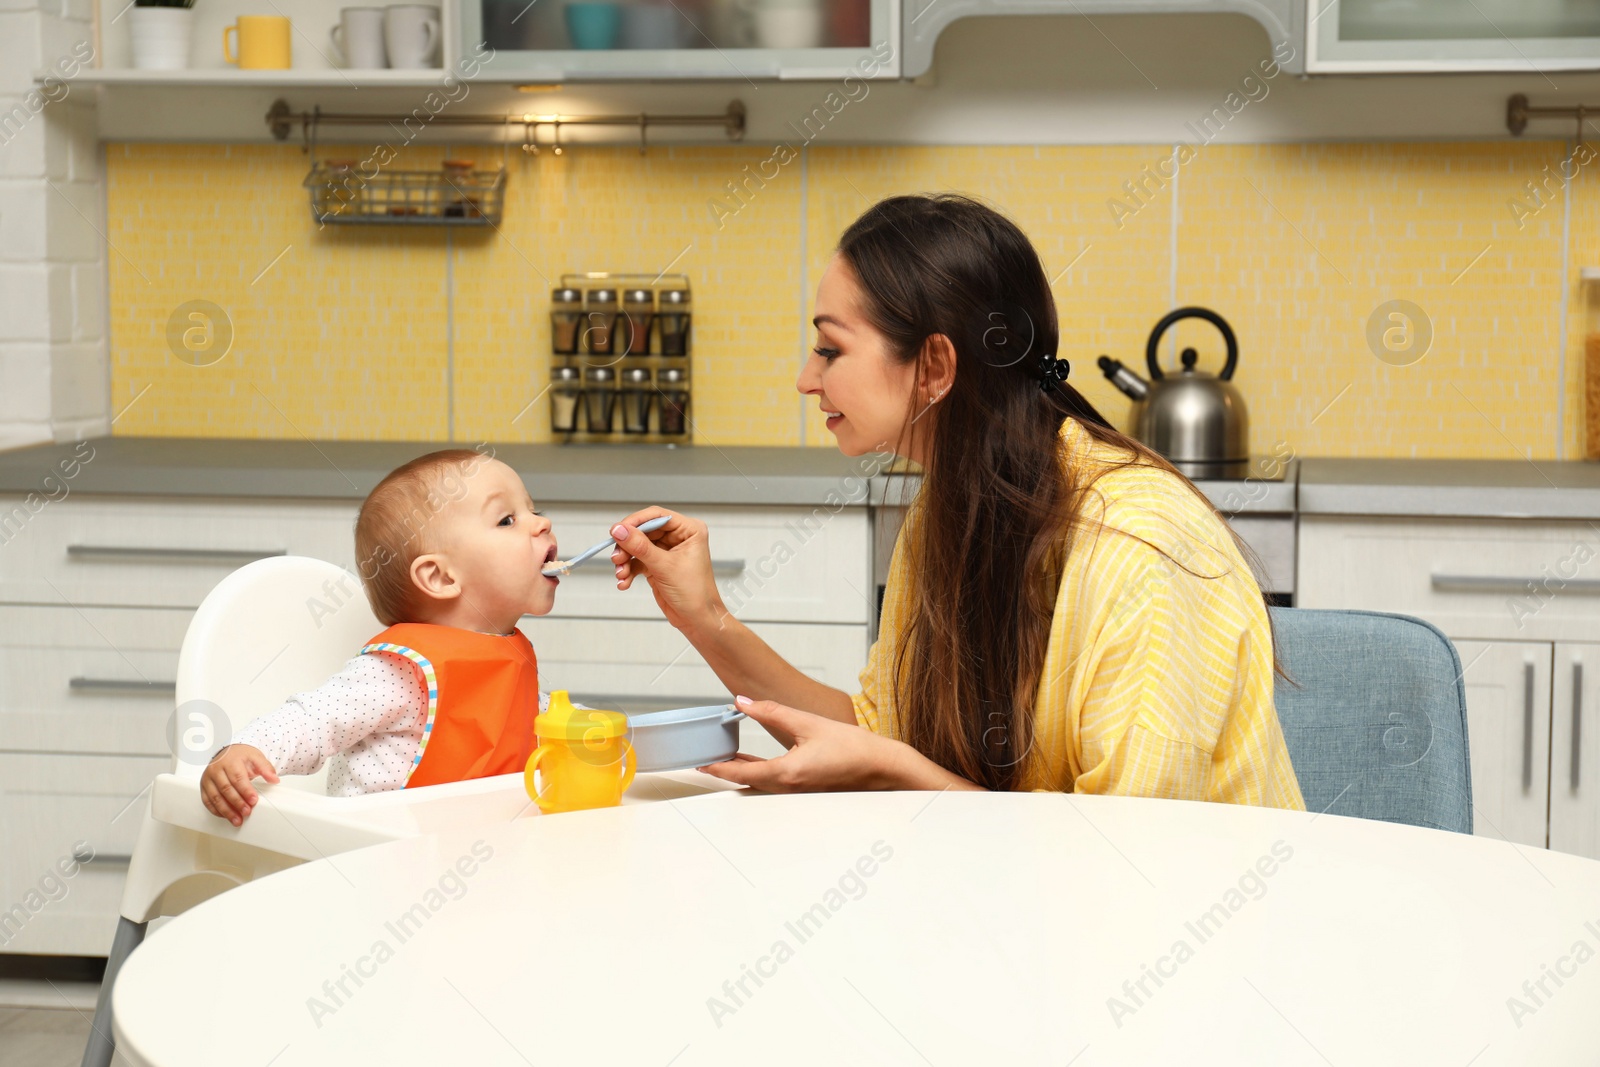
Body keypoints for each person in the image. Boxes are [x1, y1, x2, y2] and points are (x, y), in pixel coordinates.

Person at [607, 194, 1305, 808]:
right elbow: (877, 732)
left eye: (829, 349)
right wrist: (702, 616)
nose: (805, 378)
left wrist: (893, 768)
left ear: (935, 366)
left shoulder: (1137, 544)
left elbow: (1122, 852)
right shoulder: (948, 508)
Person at [200, 449, 563, 825]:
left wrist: (599, 735)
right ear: (440, 577)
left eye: (534, 511)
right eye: (507, 520)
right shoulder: (401, 671)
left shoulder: (507, 658)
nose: (542, 523)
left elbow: (540, 722)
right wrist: (248, 748)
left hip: (466, 853)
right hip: (376, 858)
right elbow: (314, 720)